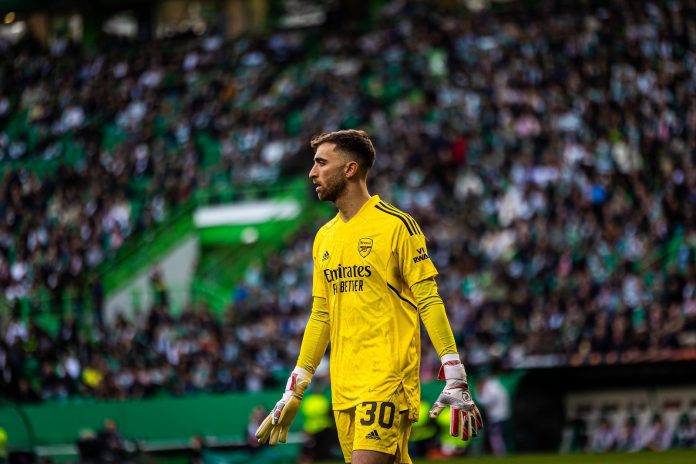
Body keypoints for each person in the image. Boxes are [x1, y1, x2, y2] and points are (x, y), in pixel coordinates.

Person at [255, 129, 483, 464]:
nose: (311, 173)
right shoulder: (324, 238)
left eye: (321, 163)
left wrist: (454, 372)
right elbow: (322, 314)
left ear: (349, 169)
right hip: (344, 387)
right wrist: (295, 386)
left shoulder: (397, 226)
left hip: (386, 379)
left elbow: (428, 299)